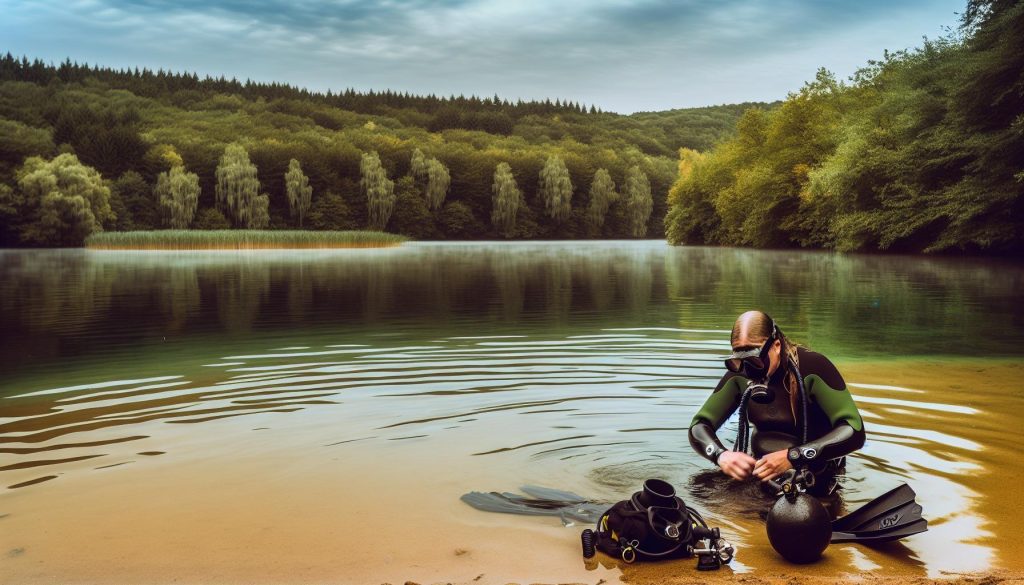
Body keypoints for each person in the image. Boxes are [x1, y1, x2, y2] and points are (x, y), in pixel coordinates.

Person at [688, 311, 865, 495]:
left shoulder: (813, 367)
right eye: (739, 361)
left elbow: (855, 431)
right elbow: (699, 425)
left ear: (777, 346)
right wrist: (720, 455)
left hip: (814, 474)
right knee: (700, 489)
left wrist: (794, 456)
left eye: (755, 360)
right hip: (761, 470)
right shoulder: (739, 374)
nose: (748, 370)